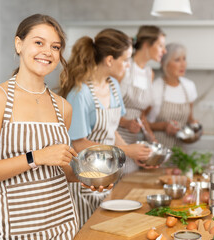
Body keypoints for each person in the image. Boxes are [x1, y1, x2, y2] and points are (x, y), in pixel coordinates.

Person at [0, 14, 97, 239]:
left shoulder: (62, 107)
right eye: (39, 42)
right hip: (16, 226)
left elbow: (60, 168)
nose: (48, 51)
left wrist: (89, 178)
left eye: (55, 47)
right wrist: (35, 157)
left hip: (63, 222)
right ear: (19, 44)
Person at [59, 28, 151, 227]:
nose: (128, 66)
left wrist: (135, 154)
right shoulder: (80, 94)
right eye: (126, 60)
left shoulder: (113, 87)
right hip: (85, 179)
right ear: (110, 60)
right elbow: (79, 143)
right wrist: (127, 151)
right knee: (88, 231)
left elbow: (111, 130)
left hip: (107, 174)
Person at [117, 25, 166, 172]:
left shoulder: (148, 73)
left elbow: (141, 114)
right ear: (146, 45)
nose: (164, 51)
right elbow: (104, 109)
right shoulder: (124, 67)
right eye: (160, 46)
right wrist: (125, 123)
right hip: (115, 137)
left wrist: (152, 139)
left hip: (134, 140)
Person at [148, 43, 198, 149]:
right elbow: (143, 123)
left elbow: (189, 119)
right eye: (177, 60)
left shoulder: (189, 86)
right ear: (164, 63)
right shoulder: (155, 88)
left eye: (184, 59)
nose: (183, 64)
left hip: (181, 152)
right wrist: (163, 126)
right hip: (158, 150)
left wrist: (195, 126)